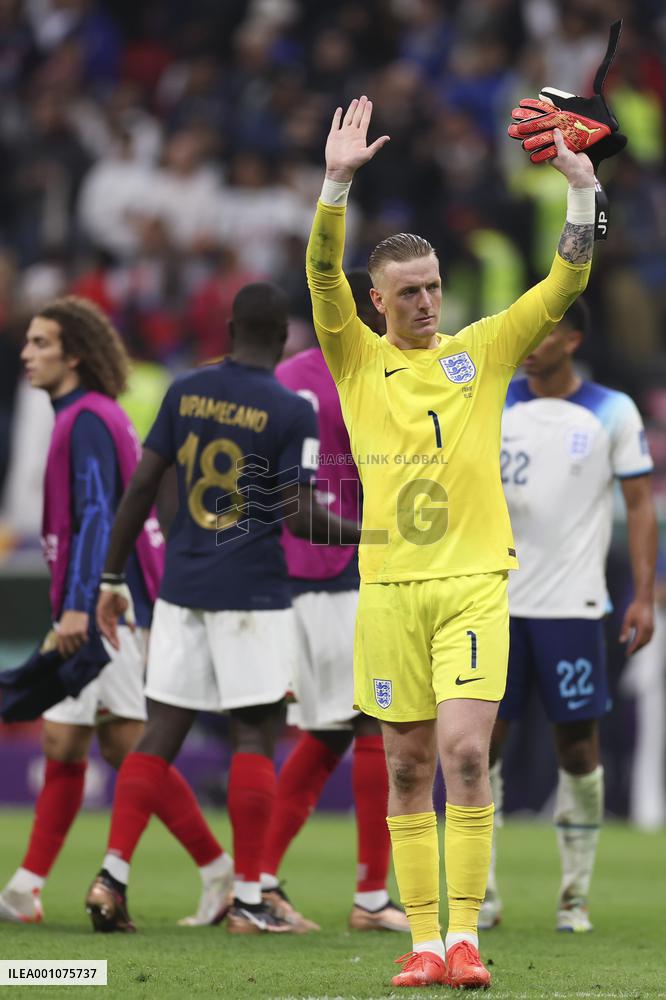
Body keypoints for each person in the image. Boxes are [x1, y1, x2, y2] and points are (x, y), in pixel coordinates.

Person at [306, 95, 595, 989]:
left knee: (468, 755)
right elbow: (320, 275)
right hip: (391, 590)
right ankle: (424, 941)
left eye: (435, 286)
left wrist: (583, 193)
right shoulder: (355, 358)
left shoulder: (483, 353)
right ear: (378, 299)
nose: (429, 301)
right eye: (412, 291)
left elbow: (563, 286)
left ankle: (465, 940)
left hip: (473, 583)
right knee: (405, 767)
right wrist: (334, 186)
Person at [89, 282, 361, 934]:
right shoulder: (290, 407)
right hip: (253, 594)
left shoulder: (185, 390)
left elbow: (143, 486)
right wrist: (371, 532)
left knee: (160, 732)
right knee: (254, 734)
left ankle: (111, 875)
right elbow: (299, 517)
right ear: (283, 338)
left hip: (184, 588)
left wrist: (110, 576)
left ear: (231, 327)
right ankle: (247, 899)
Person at [0, 297, 232, 929]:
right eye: (28, 342)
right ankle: (25, 885)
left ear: (74, 354)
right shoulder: (83, 415)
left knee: (129, 743)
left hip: (108, 606)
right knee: (66, 739)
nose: (28, 353)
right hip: (101, 601)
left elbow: (99, 515)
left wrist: (79, 606)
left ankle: (219, 872)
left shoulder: (89, 419)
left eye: (42, 343)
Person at [480, 297, 656, 933]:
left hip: (574, 606)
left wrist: (642, 593)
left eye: (545, 328)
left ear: (573, 338)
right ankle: (483, 894)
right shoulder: (491, 401)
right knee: (481, 746)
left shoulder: (612, 410)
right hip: (493, 601)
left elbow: (639, 505)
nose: (530, 338)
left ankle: (574, 895)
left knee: (577, 747)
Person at [261, 271, 408, 934]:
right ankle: (368, 896)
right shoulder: (360, 374)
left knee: (325, 732)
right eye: (383, 301)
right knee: (380, 724)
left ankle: (253, 882)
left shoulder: (283, 375)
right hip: (340, 571)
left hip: (287, 574)